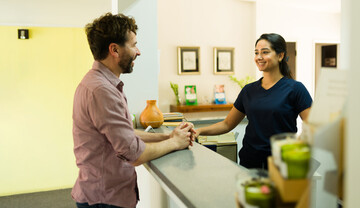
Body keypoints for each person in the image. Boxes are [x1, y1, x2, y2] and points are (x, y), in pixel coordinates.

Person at [71, 12, 195, 208]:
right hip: (104, 200)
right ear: (114, 50)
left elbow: (125, 135)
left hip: (101, 194)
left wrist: (168, 136)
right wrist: (175, 143)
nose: (138, 51)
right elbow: (134, 154)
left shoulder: (101, 84)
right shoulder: (101, 90)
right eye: (133, 44)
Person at [195, 33, 312, 169]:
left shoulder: (296, 89)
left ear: (280, 56)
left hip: (281, 164)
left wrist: (296, 147)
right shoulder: (248, 90)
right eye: (256, 53)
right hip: (249, 162)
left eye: (265, 52)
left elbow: (312, 127)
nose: (259, 57)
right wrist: (199, 130)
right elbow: (227, 124)